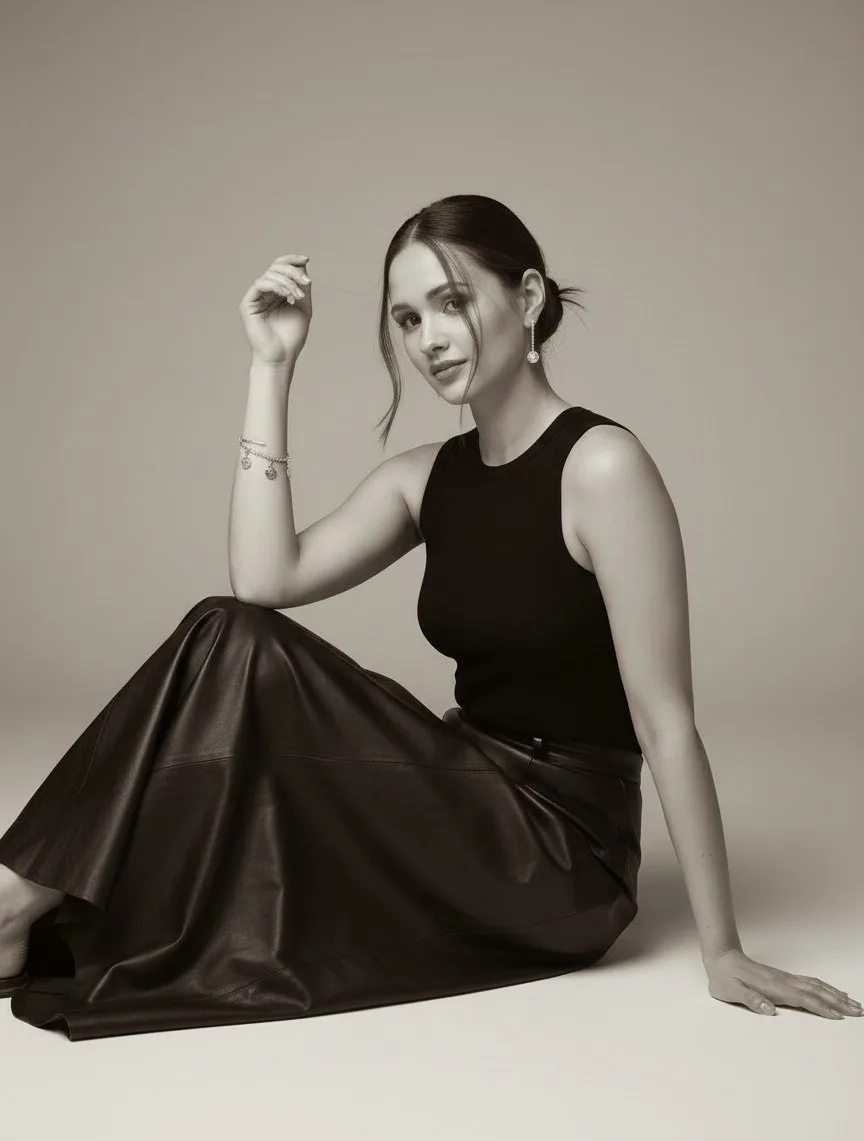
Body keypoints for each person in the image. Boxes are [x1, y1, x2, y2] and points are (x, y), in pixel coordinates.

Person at [0, 194, 859, 1041]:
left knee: (234, 661)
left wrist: (723, 949)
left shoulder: (601, 467)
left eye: (452, 302)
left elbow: (665, 720)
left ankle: (14, 900)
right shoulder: (424, 478)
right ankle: (20, 898)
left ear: (528, 298)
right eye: (408, 320)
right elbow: (262, 580)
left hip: (558, 855)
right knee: (231, 633)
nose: (429, 339)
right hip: (464, 788)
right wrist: (271, 368)